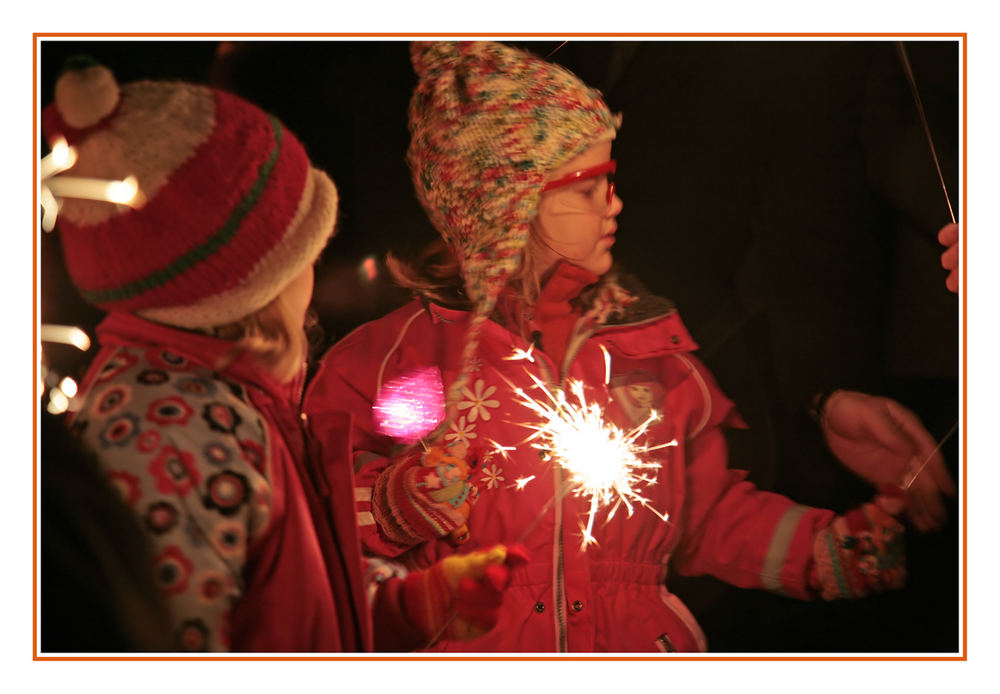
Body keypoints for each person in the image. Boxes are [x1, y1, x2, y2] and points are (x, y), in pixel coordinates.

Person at [304, 41, 954, 653]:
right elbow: (317, 506)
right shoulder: (397, 362)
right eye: (588, 188)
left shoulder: (651, 354)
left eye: (609, 181)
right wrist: (395, 503)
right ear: (510, 212)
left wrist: (820, 550)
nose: (615, 205)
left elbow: (702, 511)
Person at [42, 56, 523, 652]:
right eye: (306, 256)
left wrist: (407, 604)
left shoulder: (242, 400)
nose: (316, 278)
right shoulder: (169, 435)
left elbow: (289, 599)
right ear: (255, 283)